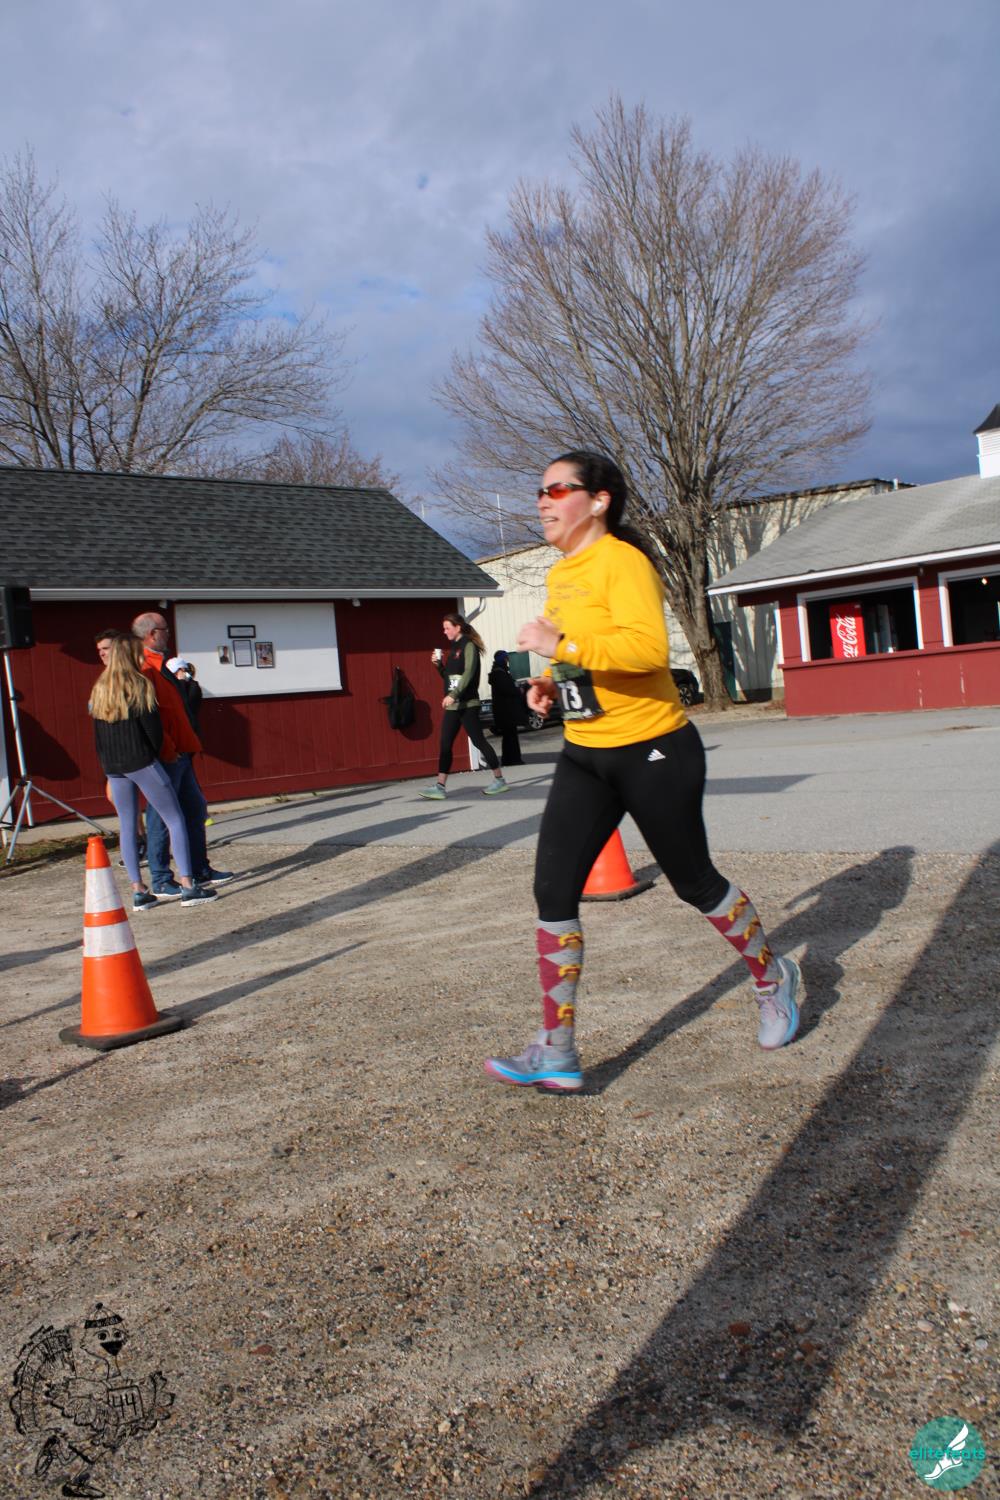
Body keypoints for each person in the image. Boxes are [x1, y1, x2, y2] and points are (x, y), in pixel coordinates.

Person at [484, 450, 803, 1091]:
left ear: (599, 500)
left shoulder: (623, 561)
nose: (543, 500)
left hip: (654, 749)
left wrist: (557, 644)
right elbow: (586, 654)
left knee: (695, 884)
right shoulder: (563, 573)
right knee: (552, 891)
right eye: (540, 490)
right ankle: (557, 1049)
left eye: (558, 489)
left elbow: (647, 649)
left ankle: (774, 980)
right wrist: (549, 683)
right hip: (584, 752)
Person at [89, 637, 217, 909]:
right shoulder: (139, 684)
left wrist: (107, 769)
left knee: (127, 825)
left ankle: (138, 891)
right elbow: (152, 729)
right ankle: (188, 886)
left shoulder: (100, 687)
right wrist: (163, 754)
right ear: (130, 656)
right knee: (175, 819)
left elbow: (98, 734)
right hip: (142, 762)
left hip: (113, 766)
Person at [131, 612, 233, 894]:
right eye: (165, 630)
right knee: (162, 817)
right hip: (169, 753)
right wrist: (166, 748)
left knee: (195, 809)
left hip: (183, 750)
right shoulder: (144, 666)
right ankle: (162, 878)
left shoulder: (162, 664)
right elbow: (151, 716)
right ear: (152, 633)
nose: (169, 634)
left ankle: (199, 869)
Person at [418, 614, 510, 799]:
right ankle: (440, 787)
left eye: (447, 628)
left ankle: (499, 780)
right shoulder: (454, 648)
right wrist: (439, 666)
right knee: (445, 744)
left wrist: (453, 695)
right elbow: (450, 677)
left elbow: (469, 673)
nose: (444, 632)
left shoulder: (469, 646)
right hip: (454, 706)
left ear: (457, 627)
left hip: (468, 704)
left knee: (478, 741)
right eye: (444, 628)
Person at [487, 650, 528, 767]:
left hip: (503, 711)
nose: (508, 660)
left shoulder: (498, 672)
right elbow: (508, 689)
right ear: (503, 660)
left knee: (508, 736)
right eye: (506, 658)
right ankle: (513, 759)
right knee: (511, 736)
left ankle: (508, 759)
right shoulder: (500, 673)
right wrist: (518, 690)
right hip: (506, 711)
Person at [166, 656, 203, 735]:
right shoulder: (172, 685)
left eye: (174, 673)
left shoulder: (193, 686)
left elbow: (185, 706)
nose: (171, 677)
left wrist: (181, 681)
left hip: (189, 730)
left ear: (182, 671)